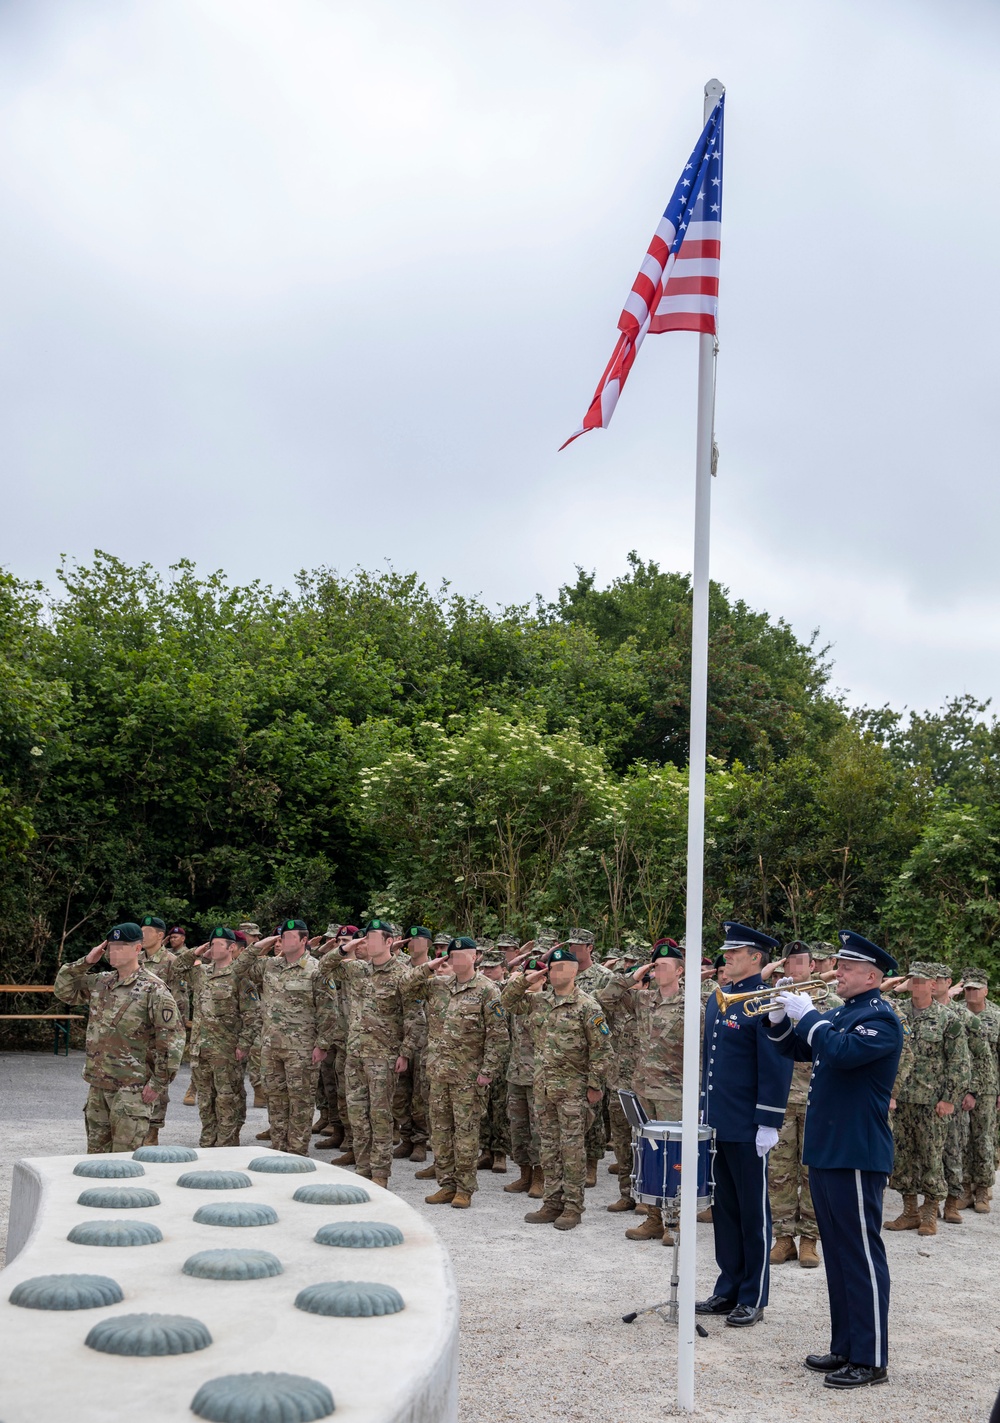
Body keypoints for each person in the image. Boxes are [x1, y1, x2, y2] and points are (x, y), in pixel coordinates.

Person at [766, 929, 903, 1390]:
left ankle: (872, 1357)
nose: (836, 973)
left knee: (861, 1255)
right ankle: (846, 1346)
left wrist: (811, 1019)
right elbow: (798, 1049)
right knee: (841, 1255)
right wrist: (781, 1018)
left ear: (870, 975)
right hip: (828, 1150)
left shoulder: (881, 1019)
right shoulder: (844, 1014)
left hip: (857, 1152)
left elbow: (840, 1053)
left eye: (845, 968)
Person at [695, 923, 793, 1328]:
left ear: (756, 957)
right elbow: (711, 1064)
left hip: (749, 1124)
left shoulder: (765, 999)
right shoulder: (719, 999)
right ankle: (729, 1285)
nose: (727, 957)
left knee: (754, 1213)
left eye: (735, 952)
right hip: (718, 1121)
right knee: (726, 1210)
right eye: (727, 952)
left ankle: (753, 1294)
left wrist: (768, 1121)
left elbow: (776, 1064)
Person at [502, 946, 611, 1231]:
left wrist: (595, 1086)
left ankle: (573, 1207)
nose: (555, 972)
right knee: (548, 1149)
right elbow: (507, 1002)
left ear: (574, 971)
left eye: (562, 967)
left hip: (573, 1091)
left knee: (572, 1150)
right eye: (552, 967)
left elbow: (602, 1051)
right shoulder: (539, 1001)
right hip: (544, 1089)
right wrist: (525, 980)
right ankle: (552, 1202)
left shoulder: (588, 1006)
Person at [54, 922, 184, 1153]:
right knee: (96, 1159)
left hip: (131, 1089)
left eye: (120, 946)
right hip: (99, 1086)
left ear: (137, 949)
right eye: (110, 947)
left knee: (125, 1162)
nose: (113, 952)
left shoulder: (153, 989)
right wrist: (86, 961)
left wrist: (159, 1082)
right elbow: (63, 990)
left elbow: (171, 1039)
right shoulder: (102, 982)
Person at [318, 918, 422, 1188]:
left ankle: (380, 1173)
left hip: (383, 1057)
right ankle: (363, 1168)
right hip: (355, 1055)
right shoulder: (357, 970)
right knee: (357, 1114)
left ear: (389, 942)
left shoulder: (402, 974)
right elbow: (324, 967)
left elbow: (414, 1017)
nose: (368, 942)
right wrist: (345, 948)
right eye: (366, 937)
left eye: (373, 937)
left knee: (380, 1116)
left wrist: (406, 1052)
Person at [414, 937, 508, 1208]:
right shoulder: (438, 986)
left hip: (469, 1077)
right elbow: (405, 987)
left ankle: (465, 1189)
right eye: (450, 955)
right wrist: (430, 966)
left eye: (461, 955)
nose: (455, 960)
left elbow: (498, 1036)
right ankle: (446, 1184)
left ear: (475, 957)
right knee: (441, 1134)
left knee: (466, 1134)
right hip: (439, 1073)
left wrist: (487, 1070)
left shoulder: (487, 990)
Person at [233, 918, 337, 1156]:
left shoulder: (317, 969)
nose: (284, 940)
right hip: (271, 1047)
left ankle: (298, 1153)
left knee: (300, 1103)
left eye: (290, 936)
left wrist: (322, 1045)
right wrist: (264, 944)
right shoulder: (270, 965)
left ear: (303, 940)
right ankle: (278, 1151)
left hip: (301, 1049)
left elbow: (329, 1010)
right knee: (276, 1101)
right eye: (281, 935)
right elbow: (238, 967)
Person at [768, 941, 842, 1268]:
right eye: (790, 963)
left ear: (813, 967)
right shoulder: (775, 1001)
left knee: (813, 1172)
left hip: (818, 1099)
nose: (795, 969)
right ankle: (783, 1238)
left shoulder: (833, 1003)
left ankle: (810, 1239)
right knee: (779, 1171)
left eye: (802, 963)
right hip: (781, 1098)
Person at [883, 962, 967, 1236]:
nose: (917, 985)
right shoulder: (897, 1013)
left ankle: (930, 1212)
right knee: (902, 1157)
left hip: (932, 1101)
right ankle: (910, 1211)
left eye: (923, 981)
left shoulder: (947, 1018)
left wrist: (950, 1099)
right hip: (901, 1099)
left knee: (932, 1157)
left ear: (934, 985)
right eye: (913, 980)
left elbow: (959, 1062)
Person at [170, 927, 255, 1147]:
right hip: (201, 1049)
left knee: (228, 1097)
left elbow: (252, 1015)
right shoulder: (202, 973)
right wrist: (196, 953)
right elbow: (177, 968)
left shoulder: (240, 976)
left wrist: (244, 1044)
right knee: (206, 1099)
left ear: (232, 947)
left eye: (219, 944)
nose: (214, 947)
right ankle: (208, 1138)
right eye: (212, 943)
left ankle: (226, 1142)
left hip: (227, 1050)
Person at [568, 929, 613, 1188]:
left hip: (593, 1052)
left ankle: (591, 1165)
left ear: (590, 947)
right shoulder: (564, 973)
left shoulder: (604, 977)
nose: (574, 950)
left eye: (579, 945)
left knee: (592, 1113)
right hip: (567, 1054)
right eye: (571, 945)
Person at [138, 913, 185, 1144]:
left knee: (158, 1082)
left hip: (159, 1034)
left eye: (148, 932)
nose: (142, 935)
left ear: (160, 936)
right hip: (135, 1035)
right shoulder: (135, 959)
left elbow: (180, 1003)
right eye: (141, 931)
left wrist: (172, 1037)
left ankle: (153, 1133)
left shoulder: (171, 962)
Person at [958, 968, 1000, 1213]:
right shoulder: (956, 1014)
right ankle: (964, 1187)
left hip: (988, 1086)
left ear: (985, 990)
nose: (971, 992)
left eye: (976, 988)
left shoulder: (996, 1016)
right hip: (961, 1085)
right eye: (968, 988)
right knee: (962, 1137)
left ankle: (983, 1189)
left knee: (983, 1138)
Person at [391, 927, 433, 1163]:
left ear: (428, 944)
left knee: (420, 1096)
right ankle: (406, 1137)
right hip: (401, 1038)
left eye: (418, 939)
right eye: (411, 939)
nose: (413, 943)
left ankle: (420, 1141)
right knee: (399, 1094)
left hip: (425, 1042)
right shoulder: (399, 968)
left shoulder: (436, 969)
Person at [477, 946, 511, 1173]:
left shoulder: (508, 990)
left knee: (500, 1106)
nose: (488, 971)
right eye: (485, 967)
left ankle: (500, 1153)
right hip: (479, 1053)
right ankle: (485, 1150)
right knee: (481, 1105)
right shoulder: (478, 989)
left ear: (503, 969)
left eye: (493, 967)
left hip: (502, 1056)